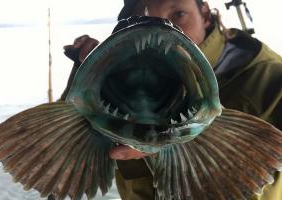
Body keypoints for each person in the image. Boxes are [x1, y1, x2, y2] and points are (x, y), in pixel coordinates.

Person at [61, 0, 282, 199]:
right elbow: (61, 163)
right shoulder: (115, 80)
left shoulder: (275, 79)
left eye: (178, 14)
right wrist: (82, 81)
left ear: (204, 13)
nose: (159, 27)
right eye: (142, 15)